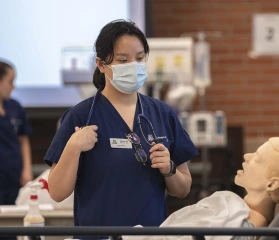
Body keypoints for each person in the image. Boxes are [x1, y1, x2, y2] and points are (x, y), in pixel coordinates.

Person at [44, 19, 199, 232]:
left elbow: (183, 190)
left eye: (140, 58)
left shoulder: (162, 114)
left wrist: (169, 169)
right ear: (101, 64)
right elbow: (57, 192)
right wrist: (73, 148)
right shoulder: (81, 116)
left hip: (150, 236)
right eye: (123, 60)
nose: (133, 66)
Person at [123, 137, 279, 240]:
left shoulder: (250, 224)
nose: (246, 156)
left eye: (257, 158)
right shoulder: (238, 207)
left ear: (272, 184)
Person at [0, 59, 33, 205]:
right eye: (10, 81)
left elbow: (23, 140)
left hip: (14, 175)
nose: (13, 87)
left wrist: (27, 169)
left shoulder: (15, 107)